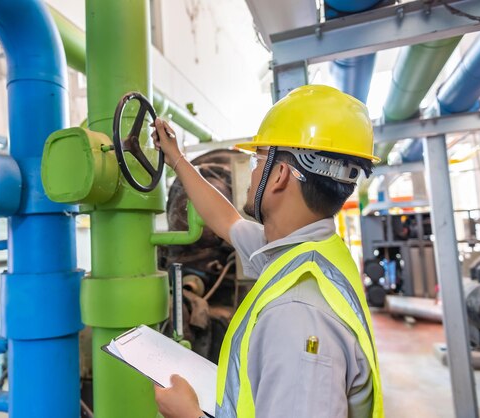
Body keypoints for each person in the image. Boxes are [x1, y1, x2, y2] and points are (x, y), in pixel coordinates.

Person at [151, 85, 384, 418]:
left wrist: (187, 414)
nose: (252, 171)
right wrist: (177, 160)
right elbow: (226, 219)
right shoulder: (310, 252)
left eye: (257, 158)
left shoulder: (298, 316)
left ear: (280, 174)